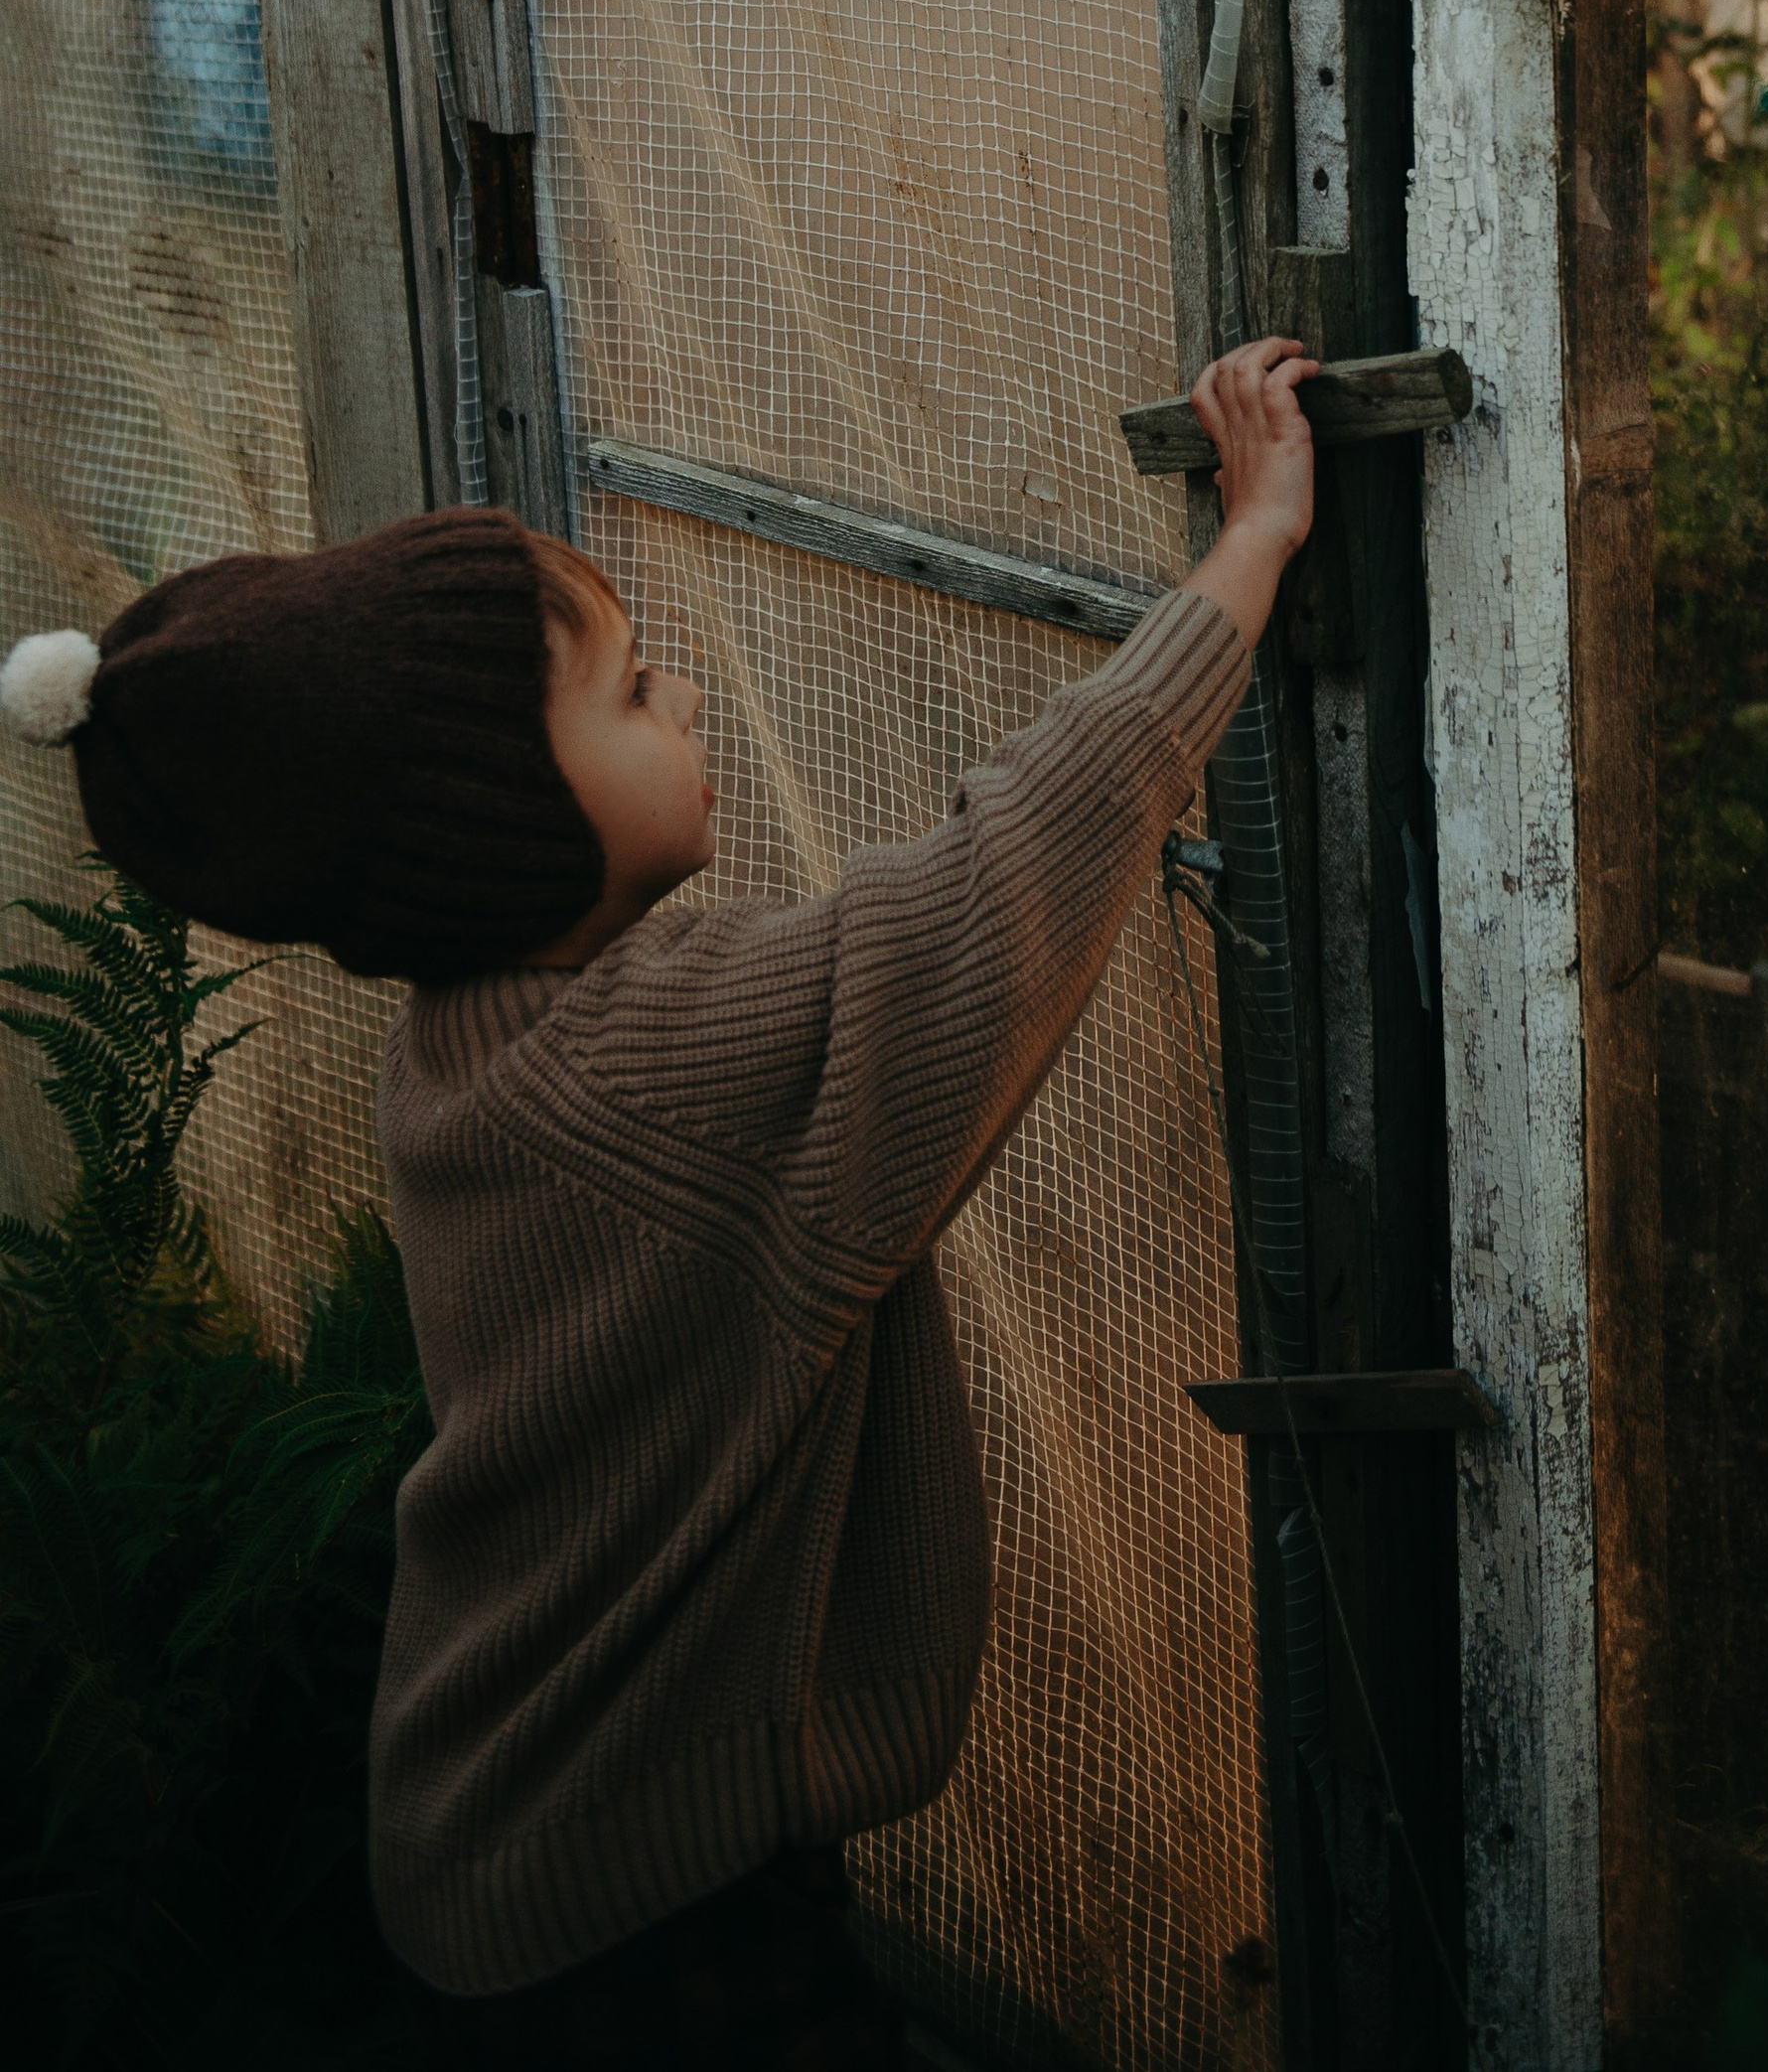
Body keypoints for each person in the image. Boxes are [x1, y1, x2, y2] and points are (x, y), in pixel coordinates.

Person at [0, 336, 1317, 2065]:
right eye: (626, 692)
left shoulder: (461, 1054)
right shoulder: (642, 1072)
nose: (681, 696)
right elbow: (1000, 891)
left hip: (508, 1853)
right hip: (633, 1933)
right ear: (496, 826)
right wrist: (1253, 548)